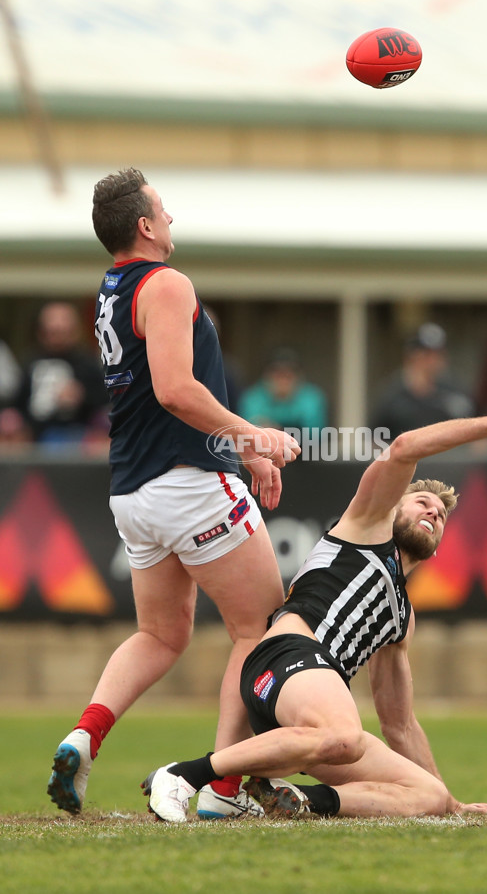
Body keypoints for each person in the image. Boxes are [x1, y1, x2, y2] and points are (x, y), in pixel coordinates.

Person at [142, 407, 487, 822]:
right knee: (343, 735)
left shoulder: (402, 617)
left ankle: (298, 799)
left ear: (436, 549)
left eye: (440, 517)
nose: (433, 512)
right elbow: (404, 447)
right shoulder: (366, 524)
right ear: (394, 507)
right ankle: (184, 775)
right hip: (283, 659)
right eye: (422, 502)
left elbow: (399, 724)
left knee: (426, 793)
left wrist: (453, 805)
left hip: (313, 713)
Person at [47, 167, 300, 818]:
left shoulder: (113, 287)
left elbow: (165, 403)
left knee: (160, 635)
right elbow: (176, 392)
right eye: (164, 209)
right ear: (145, 225)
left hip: (133, 491)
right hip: (185, 484)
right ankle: (222, 788)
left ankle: (85, 735)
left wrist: (241, 451)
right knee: (262, 628)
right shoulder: (165, 283)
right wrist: (257, 436)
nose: (172, 219)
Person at [14, 301, 108, 445]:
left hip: (77, 437)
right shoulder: (30, 362)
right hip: (33, 439)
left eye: (63, 332)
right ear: (41, 332)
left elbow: (104, 402)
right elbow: (17, 402)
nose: (58, 339)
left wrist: (82, 395)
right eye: (53, 333)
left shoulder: (87, 363)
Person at [370, 322, 475, 439]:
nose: (432, 360)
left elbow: (476, 434)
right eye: (426, 354)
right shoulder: (393, 397)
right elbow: (374, 440)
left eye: (438, 354)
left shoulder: (455, 391)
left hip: (449, 455)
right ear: (411, 356)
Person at [239, 346, 328, 432]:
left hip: (303, 446)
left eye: (288, 374)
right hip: (264, 446)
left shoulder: (312, 397)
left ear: (299, 376)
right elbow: (246, 430)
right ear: (266, 375)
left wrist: (279, 429)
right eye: (278, 373)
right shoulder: (253, 397)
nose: (283, 380)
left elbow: (315, 433)